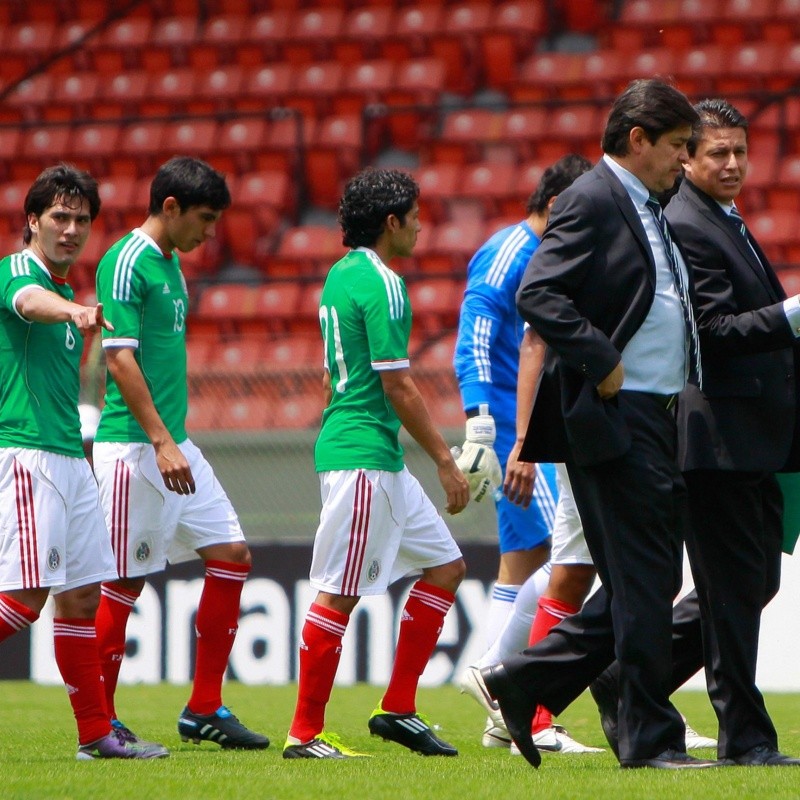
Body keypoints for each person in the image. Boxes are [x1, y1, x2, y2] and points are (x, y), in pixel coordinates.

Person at [480, 78, 722, 770]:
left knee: (634, 580)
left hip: (654, 412)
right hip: (619, 414)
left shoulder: (648, 200)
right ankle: (647, 739)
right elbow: (538, 292)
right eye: (678, 147)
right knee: (644, 582)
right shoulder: (592, 198)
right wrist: (601, 359)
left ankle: (523, 680)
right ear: (638, 140)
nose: (686, 160)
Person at [283, 167, 469, 759]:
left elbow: (333, 368)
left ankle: (398, 708)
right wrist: (445, 459)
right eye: (414, 215)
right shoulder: (385, 283)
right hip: (364, 454)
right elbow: (399, 385)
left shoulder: (339, 276)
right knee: (339, 591)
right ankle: (304, 734)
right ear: (392, 222)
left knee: (445, 566)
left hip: (370, 452)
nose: (420, 225)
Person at [92, 156, 268, 751]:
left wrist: (173, 439)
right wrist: (161, 441)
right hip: (136, 449)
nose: (211, 233)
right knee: (122, 583)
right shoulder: (125, 262)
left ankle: (204, 707)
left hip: (174, 442)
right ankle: (101, 723)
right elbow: (118, 357)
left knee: (233, 554)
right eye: (205, 219)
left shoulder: (171, 265)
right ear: (170, 207)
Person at [0, 164, 167, 760]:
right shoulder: (24, 274)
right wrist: (70, 313)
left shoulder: (72, 295)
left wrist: (76, 313)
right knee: (23, 601)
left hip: (71, 459)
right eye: (59, 217)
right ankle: (97, 733)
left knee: (80, 598)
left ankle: (96, 736)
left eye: (81, 220)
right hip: (27, 454)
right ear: (33, 222)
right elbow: (26, 300)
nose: (71, 230)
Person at [662, 98, 800, 766]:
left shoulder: (719, 216)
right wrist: (791, 316)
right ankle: (744, 739)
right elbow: (711, 334)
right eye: (717, 152)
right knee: (736, 590)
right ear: (685, 156)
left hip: (750, 434)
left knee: (749, 585)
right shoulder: (688, 222)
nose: (733, 164)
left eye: (740, 151)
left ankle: (632, 679)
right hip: (715, 433)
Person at [453, 155, 601, 754]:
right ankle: (500, 678)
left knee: (524, 559)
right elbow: (477, 337)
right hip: (523, 433)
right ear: (562, 206)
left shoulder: (528, 250)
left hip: (527, 428)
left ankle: (496, 698)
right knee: (567, 557)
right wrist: (486, 431)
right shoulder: (515, 251)